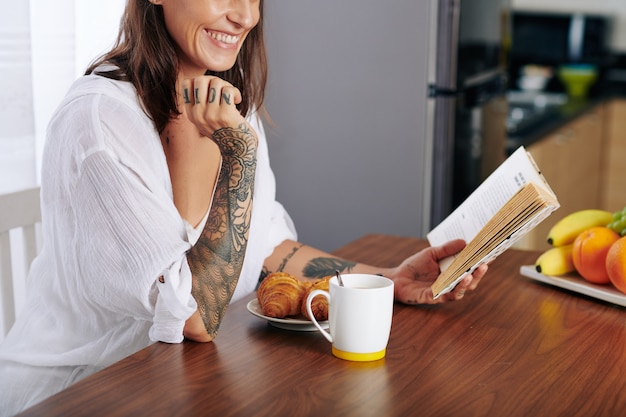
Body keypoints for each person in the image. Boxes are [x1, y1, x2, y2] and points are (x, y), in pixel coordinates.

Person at [0, 0, 487, 415]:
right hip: (78, 394)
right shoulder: (100, 120)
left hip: (181, 385)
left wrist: (383, 279)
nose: (246, 15)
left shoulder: (226, 103)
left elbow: (266, 246)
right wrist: (234, 157)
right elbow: (192, 316)